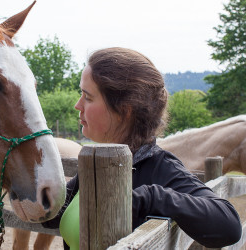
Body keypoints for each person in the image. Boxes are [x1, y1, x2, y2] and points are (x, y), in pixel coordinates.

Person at [42, 47, 242, 249]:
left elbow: (229, 226)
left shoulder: (160, 167)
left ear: (124, 110)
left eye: (88, 97)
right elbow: (52, 215)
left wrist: (150, 197)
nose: (78, 105)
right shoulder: (97, 161)